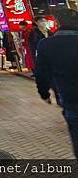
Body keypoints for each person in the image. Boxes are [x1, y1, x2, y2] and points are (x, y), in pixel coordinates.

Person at [35, 9, 78, 158]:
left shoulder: (46, 44)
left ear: (57, 23)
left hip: (71, 100)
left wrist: (44, 94)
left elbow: (41, 73)